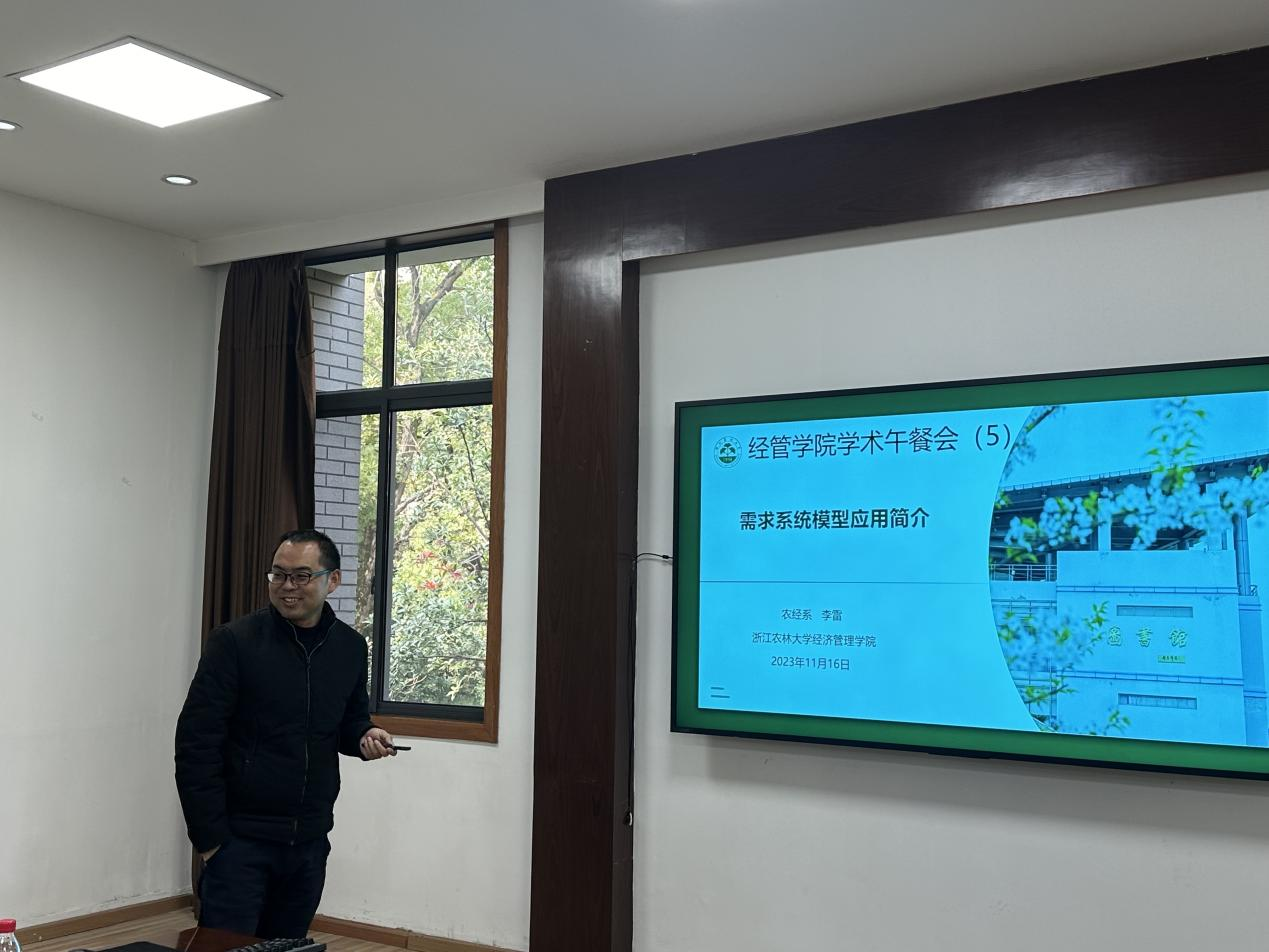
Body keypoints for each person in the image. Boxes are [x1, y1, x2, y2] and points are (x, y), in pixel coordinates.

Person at [175, 529, 397, 938]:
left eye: (301, 576)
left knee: (288, 947)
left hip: (309, 842)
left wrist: (366, 735)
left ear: (332, 580)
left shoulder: (350, 648)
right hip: (239, 842)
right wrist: (211, 841)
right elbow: (196, 744)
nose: (287, 586)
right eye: (278, 575)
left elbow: (349, 721)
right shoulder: (234, 643)